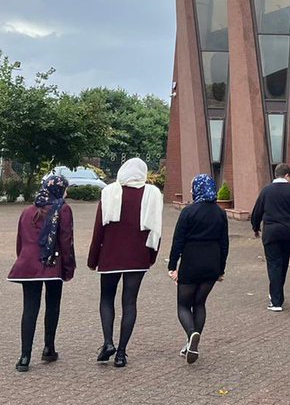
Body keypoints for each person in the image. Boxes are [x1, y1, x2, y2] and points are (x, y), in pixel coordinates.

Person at [88, 157, 163, 368]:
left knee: (106, 298)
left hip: (110, 256)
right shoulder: (153, 193)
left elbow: (98, 230)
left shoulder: (109, 192)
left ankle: (108, 342)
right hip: (138, 257)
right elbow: (157, 229)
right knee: (129, 302)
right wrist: (151, 257)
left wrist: (93, 259)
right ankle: (121, 353)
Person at [7, 173, 75, 372]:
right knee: (52, 305)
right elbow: (66, 241)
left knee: (30, 308)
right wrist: (68, 267)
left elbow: (20, 241)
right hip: (52, 263)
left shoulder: (27, 211)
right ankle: (48, 348)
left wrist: (23, 258)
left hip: (27, 264)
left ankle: (24, 357)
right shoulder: (63, 209)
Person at [167, 173, 230, 364]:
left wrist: (172, 265)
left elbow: (178, 240)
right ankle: (191, 343)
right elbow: (224, 243)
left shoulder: (188, 212)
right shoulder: (220, 213)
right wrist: (221, 269)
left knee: (183, 304)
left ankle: (191, 334)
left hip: (191, 261)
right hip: (212, 263)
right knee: (200, 303)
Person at [250, 163, 290, 311]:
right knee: (283, 262)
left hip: (271, 232)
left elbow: (257, 211)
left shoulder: (266, 191)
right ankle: (277, 293)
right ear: (287, 175)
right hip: (289, 232)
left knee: (274, 263)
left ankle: (276, 300)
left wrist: (256, 228)